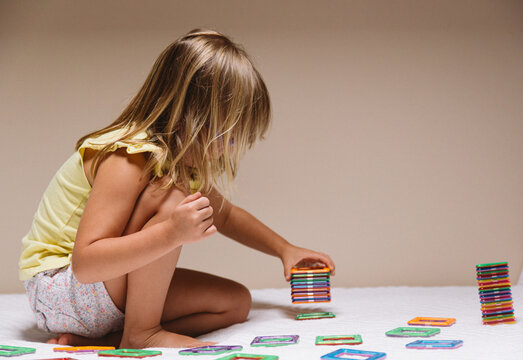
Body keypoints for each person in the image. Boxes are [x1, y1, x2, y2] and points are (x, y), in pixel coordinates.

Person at [19, 29, 335, 349]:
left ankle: (119, 337)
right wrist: (171, 232)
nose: (227, 150)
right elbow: (86, 265)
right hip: (60, 292)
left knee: (236, 302)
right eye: (227, 137)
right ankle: (142, 333)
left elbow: (226, 216)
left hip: (100, 298)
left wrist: (285, 250)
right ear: (189, 117)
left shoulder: (178, 161)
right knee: (172, 198)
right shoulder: (126, 159)